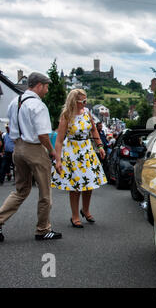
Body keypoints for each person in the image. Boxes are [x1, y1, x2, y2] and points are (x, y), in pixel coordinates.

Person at [0, 72, 62, 242]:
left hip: (17, 148)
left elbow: (11, 127)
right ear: (39, 85)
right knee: (45, 191)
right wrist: (51, 151)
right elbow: (43, 135)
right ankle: (43, 229)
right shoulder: (38, 105)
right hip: (34, 148)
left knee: (21, 189)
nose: (47, 90)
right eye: (46, 86)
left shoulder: (15, 102)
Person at [51, 89, 107, 228]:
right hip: (72, 152)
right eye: (83, 101)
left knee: (89, 184)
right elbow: (59, 140)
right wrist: (58, 160)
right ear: (74, 101)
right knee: (75, 186)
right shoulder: (66, 115)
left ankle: (86, 210)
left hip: (87, 150)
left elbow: (94, 130)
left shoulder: (87, 113)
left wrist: (99, 145)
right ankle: (75, 215)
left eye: (86, 100)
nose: (86, 103)